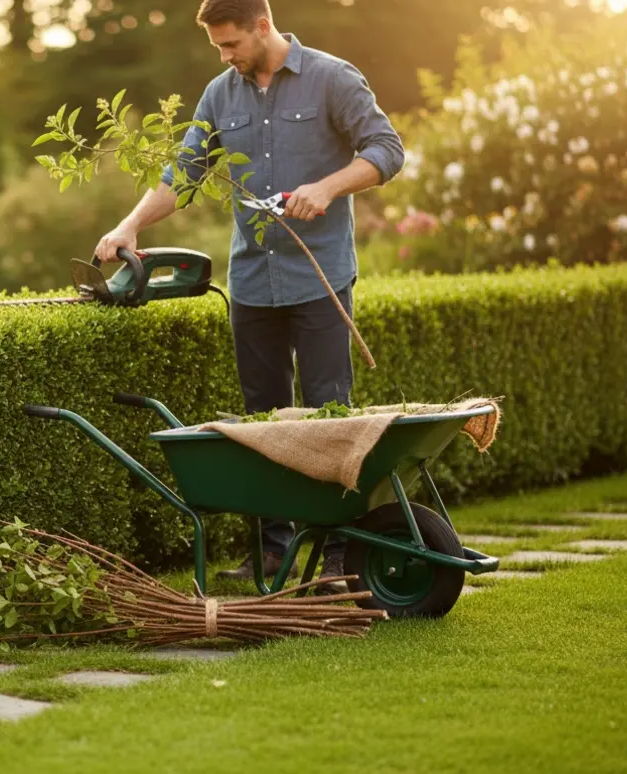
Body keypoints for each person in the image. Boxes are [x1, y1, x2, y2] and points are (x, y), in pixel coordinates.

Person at [92, 0, 405, 591]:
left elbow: (388, 150)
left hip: (320, 279)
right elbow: (182, 173)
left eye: (231, 43)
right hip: (253, 284)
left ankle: (341, 556)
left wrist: (329, 187)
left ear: (263, 26)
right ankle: (270, 552)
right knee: (260, 420)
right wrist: (131, 225)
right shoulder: (220, 94)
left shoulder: (332, 78)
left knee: (326, 417)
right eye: (218, 47)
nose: (225, 56)